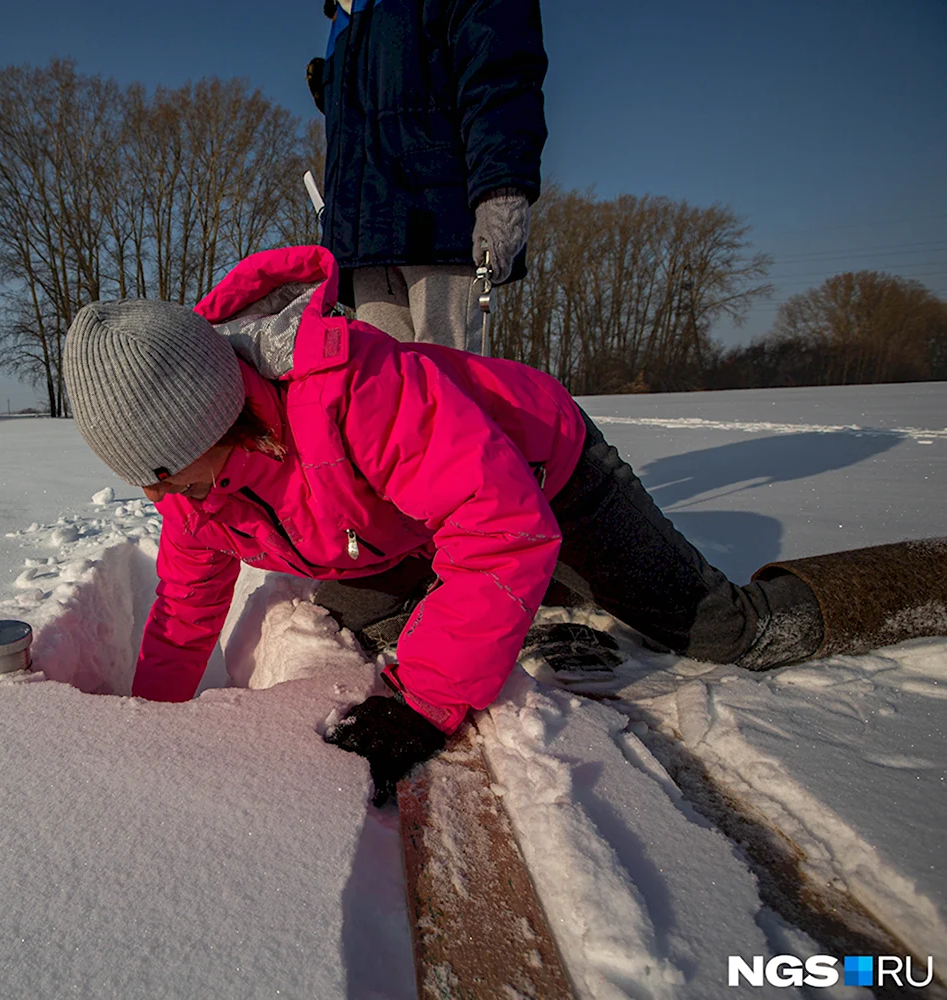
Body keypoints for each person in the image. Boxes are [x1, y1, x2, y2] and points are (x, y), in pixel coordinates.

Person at [63, 245, 947, 807]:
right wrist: (146, 731)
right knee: (348, 598)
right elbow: (183, 614)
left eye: (158, 470)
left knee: (724, 631)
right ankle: (531, 614)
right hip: (413, 526)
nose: (153, 497)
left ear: (211, 421)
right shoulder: (197, 498)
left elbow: (502, 530)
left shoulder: (358, 396)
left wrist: (424, 702)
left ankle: (921, 577)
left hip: (544, 474)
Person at [307, 0, 548, 352]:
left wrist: (501, 186)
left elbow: (499, 67)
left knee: (448, 387)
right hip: (369, 238)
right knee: (381, 392)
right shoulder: (344, 12)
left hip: (441, 222)